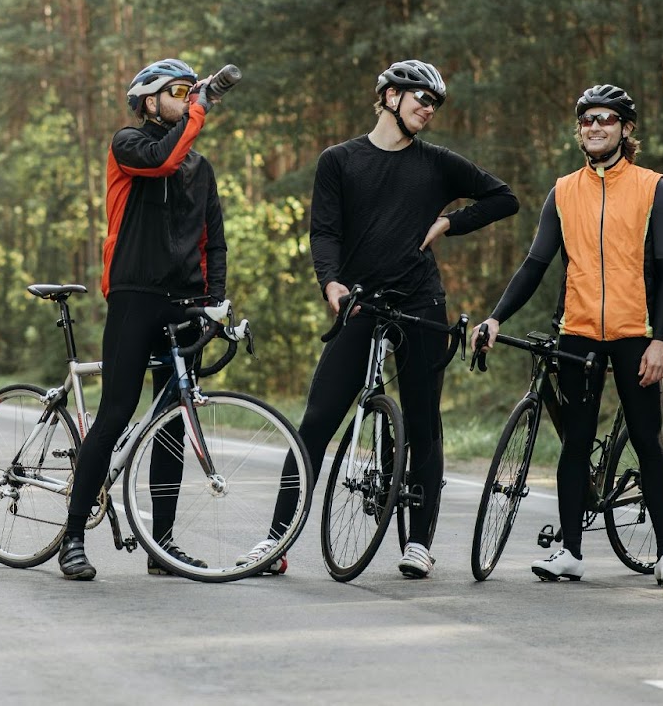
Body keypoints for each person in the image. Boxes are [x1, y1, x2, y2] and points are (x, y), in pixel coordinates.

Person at [249, 59, 518, 578]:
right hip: (360, 301)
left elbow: (503, 198)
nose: (428, 108)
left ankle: (419, 542)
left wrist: (448, 222)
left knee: (424, 423)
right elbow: (323, 231)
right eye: (421, 97)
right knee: (317, 422)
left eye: (435, 103)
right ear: (390, 95)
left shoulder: (438, 163)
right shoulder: (339, 160)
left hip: (420, 302)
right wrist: (331, 282)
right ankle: (274, 543)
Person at [473, 83, 663, 587]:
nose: (595, 127)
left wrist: (661, 340)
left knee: (646, 438)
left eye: (606, 119)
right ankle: (570, 551)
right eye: (587, 120)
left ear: (625, 129)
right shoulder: (564, 191)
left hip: (636, 332)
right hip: (579, 333)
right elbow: (534, 265)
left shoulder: (653, 187)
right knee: (574, 444)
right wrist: (496, 316)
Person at [58, 57, 229, 581]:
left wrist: (215, 301)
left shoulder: (200, 169)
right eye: (177, 92)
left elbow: (213, 240)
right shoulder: (128, 143)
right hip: (134, 295)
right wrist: (197, 111)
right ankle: (72, 538)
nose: (187, 99)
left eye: (190, 92)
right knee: (115, 413)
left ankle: (164, 546)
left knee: (173, 424)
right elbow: (161, 160)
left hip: (184, 302)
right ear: (149, 101)